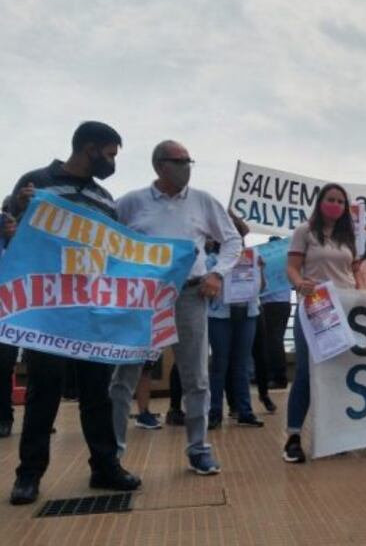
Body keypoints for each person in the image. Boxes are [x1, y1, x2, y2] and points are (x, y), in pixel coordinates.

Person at [7, 121, 141, 505]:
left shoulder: (104, 199)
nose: (113, 162)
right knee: (43, 389)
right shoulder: (35, 183)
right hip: (47, 309)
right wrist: (17, 209)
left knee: (96, 392)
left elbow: (114, 252)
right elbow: (9, 235)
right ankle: (29, 475)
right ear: (89, 148)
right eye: (110, 154)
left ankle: (104, 467)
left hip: (90, 310)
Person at [108, 139, 241, 477]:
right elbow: (106, 238)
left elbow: (233, 240)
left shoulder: (203, 201)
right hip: (143, 298)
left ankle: (198, 449)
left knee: (196, 375)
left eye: (189, 161)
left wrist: (216, 274)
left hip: (190, 295)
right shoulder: (131, 203)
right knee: (124, 376)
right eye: (179, 161)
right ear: (159, 166)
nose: (187, 167)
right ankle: (112, 455)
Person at [283, 183, 359, 463]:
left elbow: (354, 270)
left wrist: (364, 293)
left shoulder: (349, 236)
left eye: (341, 201)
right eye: (331, 199)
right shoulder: (305, 231)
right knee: (305, 371)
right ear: (320, 201)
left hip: (346, 307)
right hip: (316, 306)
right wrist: (298, 282)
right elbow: (292, 266)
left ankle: (334, 434)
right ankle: (293, 437)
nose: (335, 205)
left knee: (337, 373)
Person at [205, 230, 265, 430]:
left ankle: (244, 412)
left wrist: (259, 271)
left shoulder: (251, 257)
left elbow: (262, 288)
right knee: (219, 365)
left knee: (242, 363)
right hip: (220, 315)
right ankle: (214, 412)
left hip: (247, 313)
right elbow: (207, 290)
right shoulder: (212, 260)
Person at [259, 236, 292, 391]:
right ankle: (275, 375)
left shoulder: (269, 262)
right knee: (273, 340)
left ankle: (278, 376)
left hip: (272, 303)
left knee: (273, 341)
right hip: (283, 303)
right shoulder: (286, 262)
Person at [0, 200, 18, 439]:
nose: (10, 225)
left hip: (9, 318)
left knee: (3, 368)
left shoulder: (19, 246)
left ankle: (4, 417)